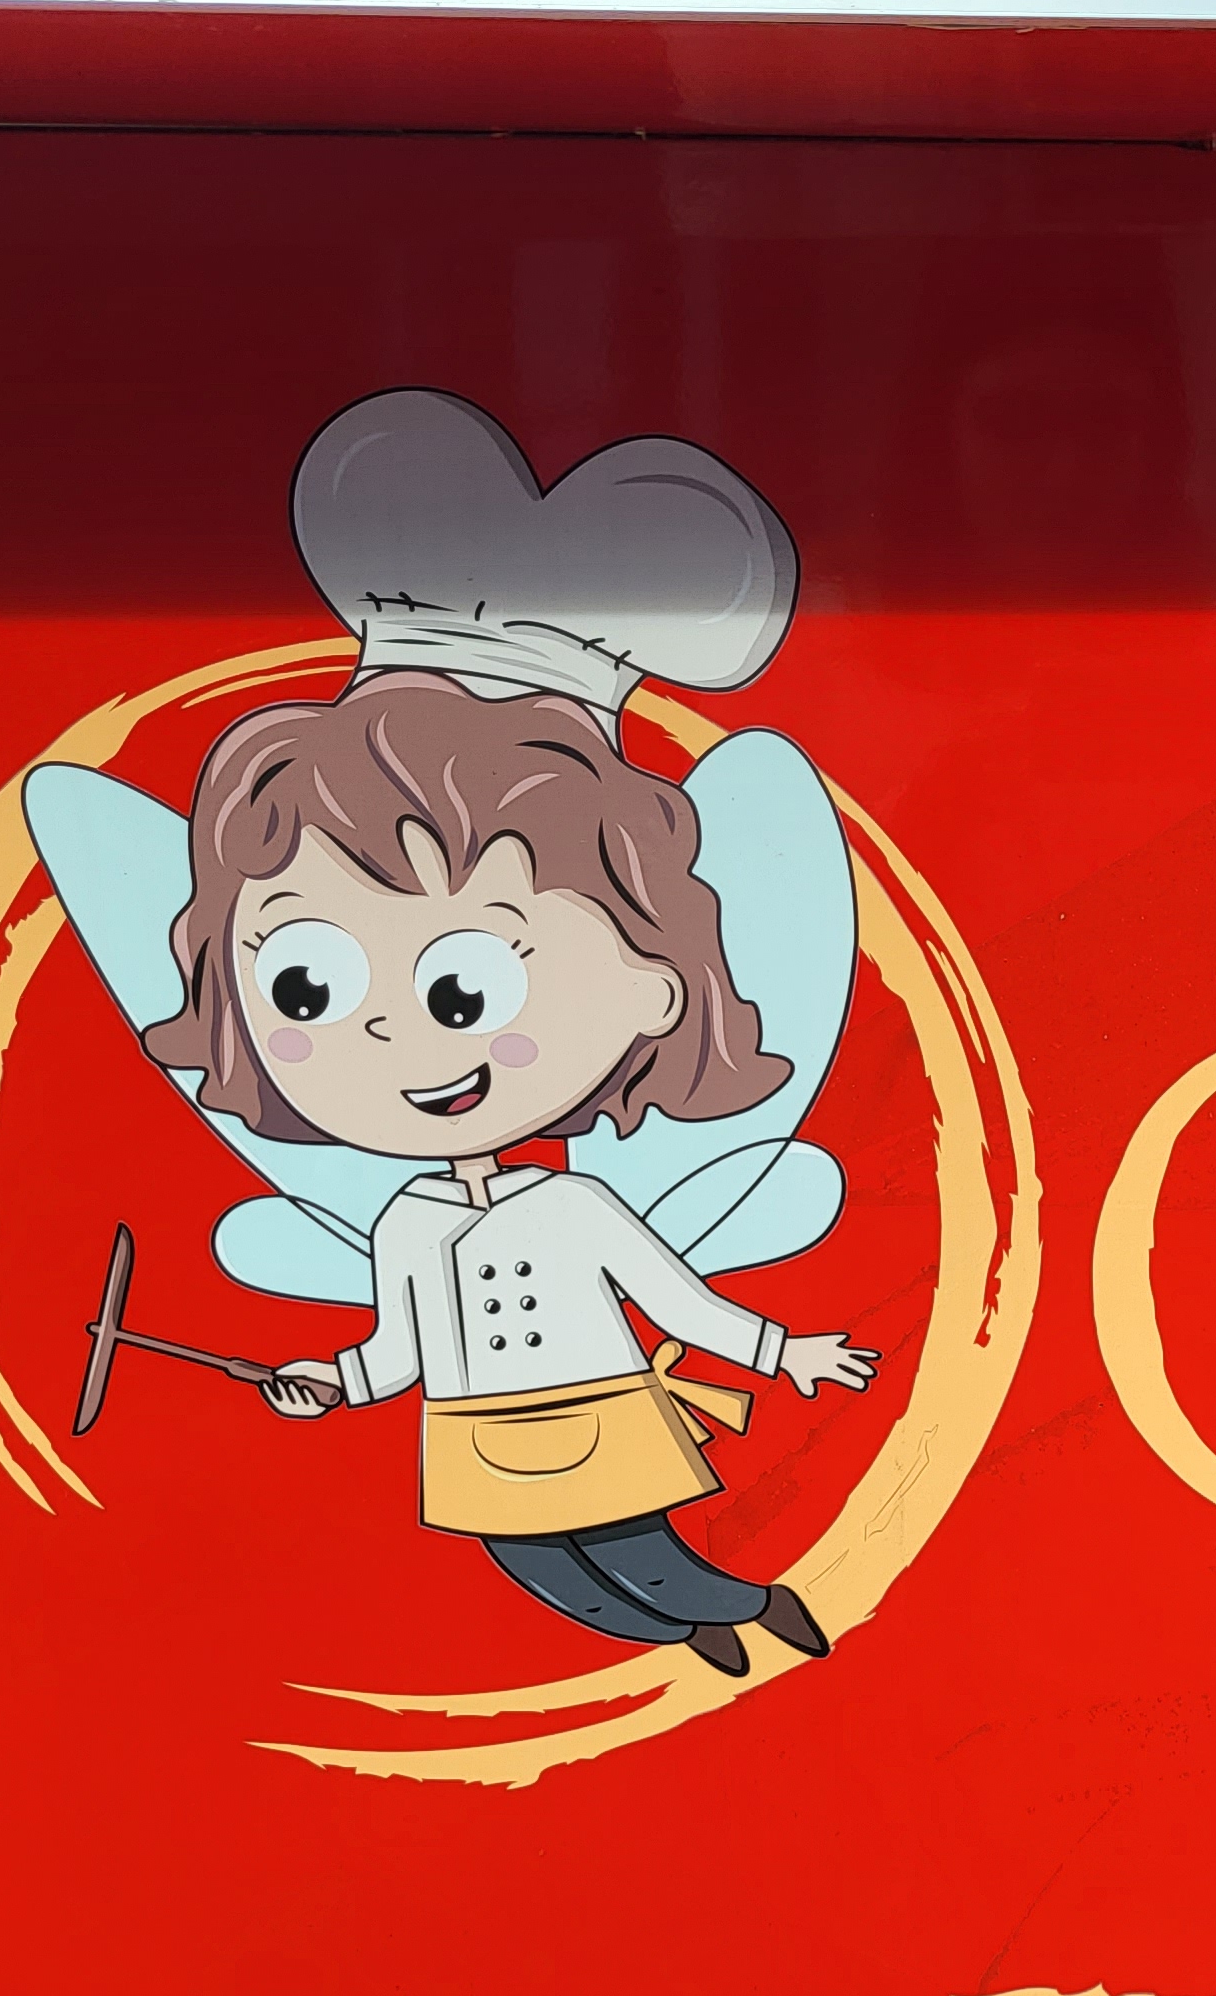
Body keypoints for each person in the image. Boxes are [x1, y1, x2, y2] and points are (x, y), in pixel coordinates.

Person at [140, 661, 876, 1674]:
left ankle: (747, 1604)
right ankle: (693, 1632)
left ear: (652, 986)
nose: (393, 1034)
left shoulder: (573, 1205)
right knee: (548, 1574)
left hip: (598, 1406)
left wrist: (781, 1352)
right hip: (470, 1427)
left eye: (464, 988)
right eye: (306, 988)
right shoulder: (406, 1222)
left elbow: (672, 1297)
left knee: (645, 1556)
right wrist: (334, 1382)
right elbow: (399, 1345)